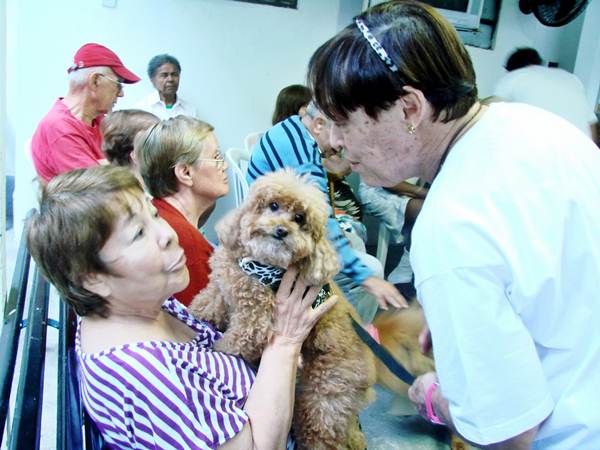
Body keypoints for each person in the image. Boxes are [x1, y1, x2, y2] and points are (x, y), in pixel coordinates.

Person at [307, 1, 600, 449]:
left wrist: (437, 398)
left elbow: (509, 432)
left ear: (408, 108)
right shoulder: (534, 124)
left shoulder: (450, 223)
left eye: (344, 122)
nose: (334, 141)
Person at [27, 165, 335, 449]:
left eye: (155, 215)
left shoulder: (140, 305)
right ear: (92, 279)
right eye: (138, 233)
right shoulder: (148, 378)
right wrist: (285, 341)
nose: (168, 234)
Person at [247, 101, 406, 324]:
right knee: (373, 269)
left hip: (279, 237)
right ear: (320, 125)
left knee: (355, 246)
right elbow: (324, 224)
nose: (341, 144)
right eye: (341, 132)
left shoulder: (291, 128)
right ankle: (346, 333)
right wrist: (368, 279)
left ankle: (340, 319)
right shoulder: (304, 160)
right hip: (278, 250)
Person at [136, 116, 226, 306]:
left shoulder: (160, 215)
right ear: (185, 173)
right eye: (217, 158)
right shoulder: (185, 243)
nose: (224, 166)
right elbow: (209, 327)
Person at [31, 43, 140, 183]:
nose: (121, 94)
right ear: (95, 81)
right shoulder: (59, 127)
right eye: (118, 84)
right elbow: (100, 187)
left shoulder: (98, 120)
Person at [493, 47, 598, 143]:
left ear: (511, 69)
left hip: (541, 149)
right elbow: (592, 125)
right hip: (581, 151)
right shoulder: (572, 78)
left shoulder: (513, 77)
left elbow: (489, 115)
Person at [136, 54, 198, 119]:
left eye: (174, 74)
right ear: (152, 80)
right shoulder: (142, 109)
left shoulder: (190, 110)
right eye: (164, 75)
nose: (170, 79)